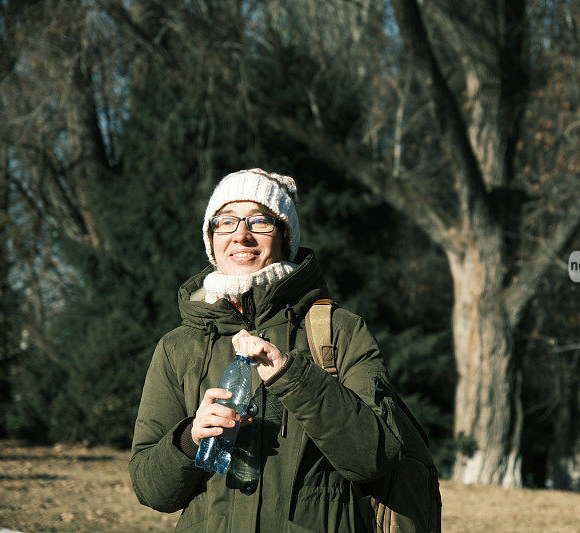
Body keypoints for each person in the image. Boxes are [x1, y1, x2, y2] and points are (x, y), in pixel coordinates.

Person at [129, 168, 404, 532]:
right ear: (211, 239)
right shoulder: (178, 346)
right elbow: (152, 490)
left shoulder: (340, 330)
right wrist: (190, 438)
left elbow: (377, 456)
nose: (241, 235)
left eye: (259, 221)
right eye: (225, 222)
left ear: (285, 236)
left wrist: (294, 377)